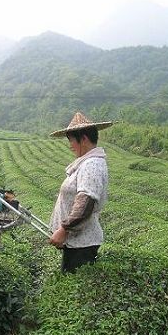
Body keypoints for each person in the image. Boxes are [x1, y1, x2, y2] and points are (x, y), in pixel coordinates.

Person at [48, 112, 113, 273]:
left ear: (83, 138)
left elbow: (85, 202)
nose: (70, 145)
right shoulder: (87, 163)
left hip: (82, 246)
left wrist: (63, 230)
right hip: (75, 242)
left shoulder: (92, 165)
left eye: (71, 140)